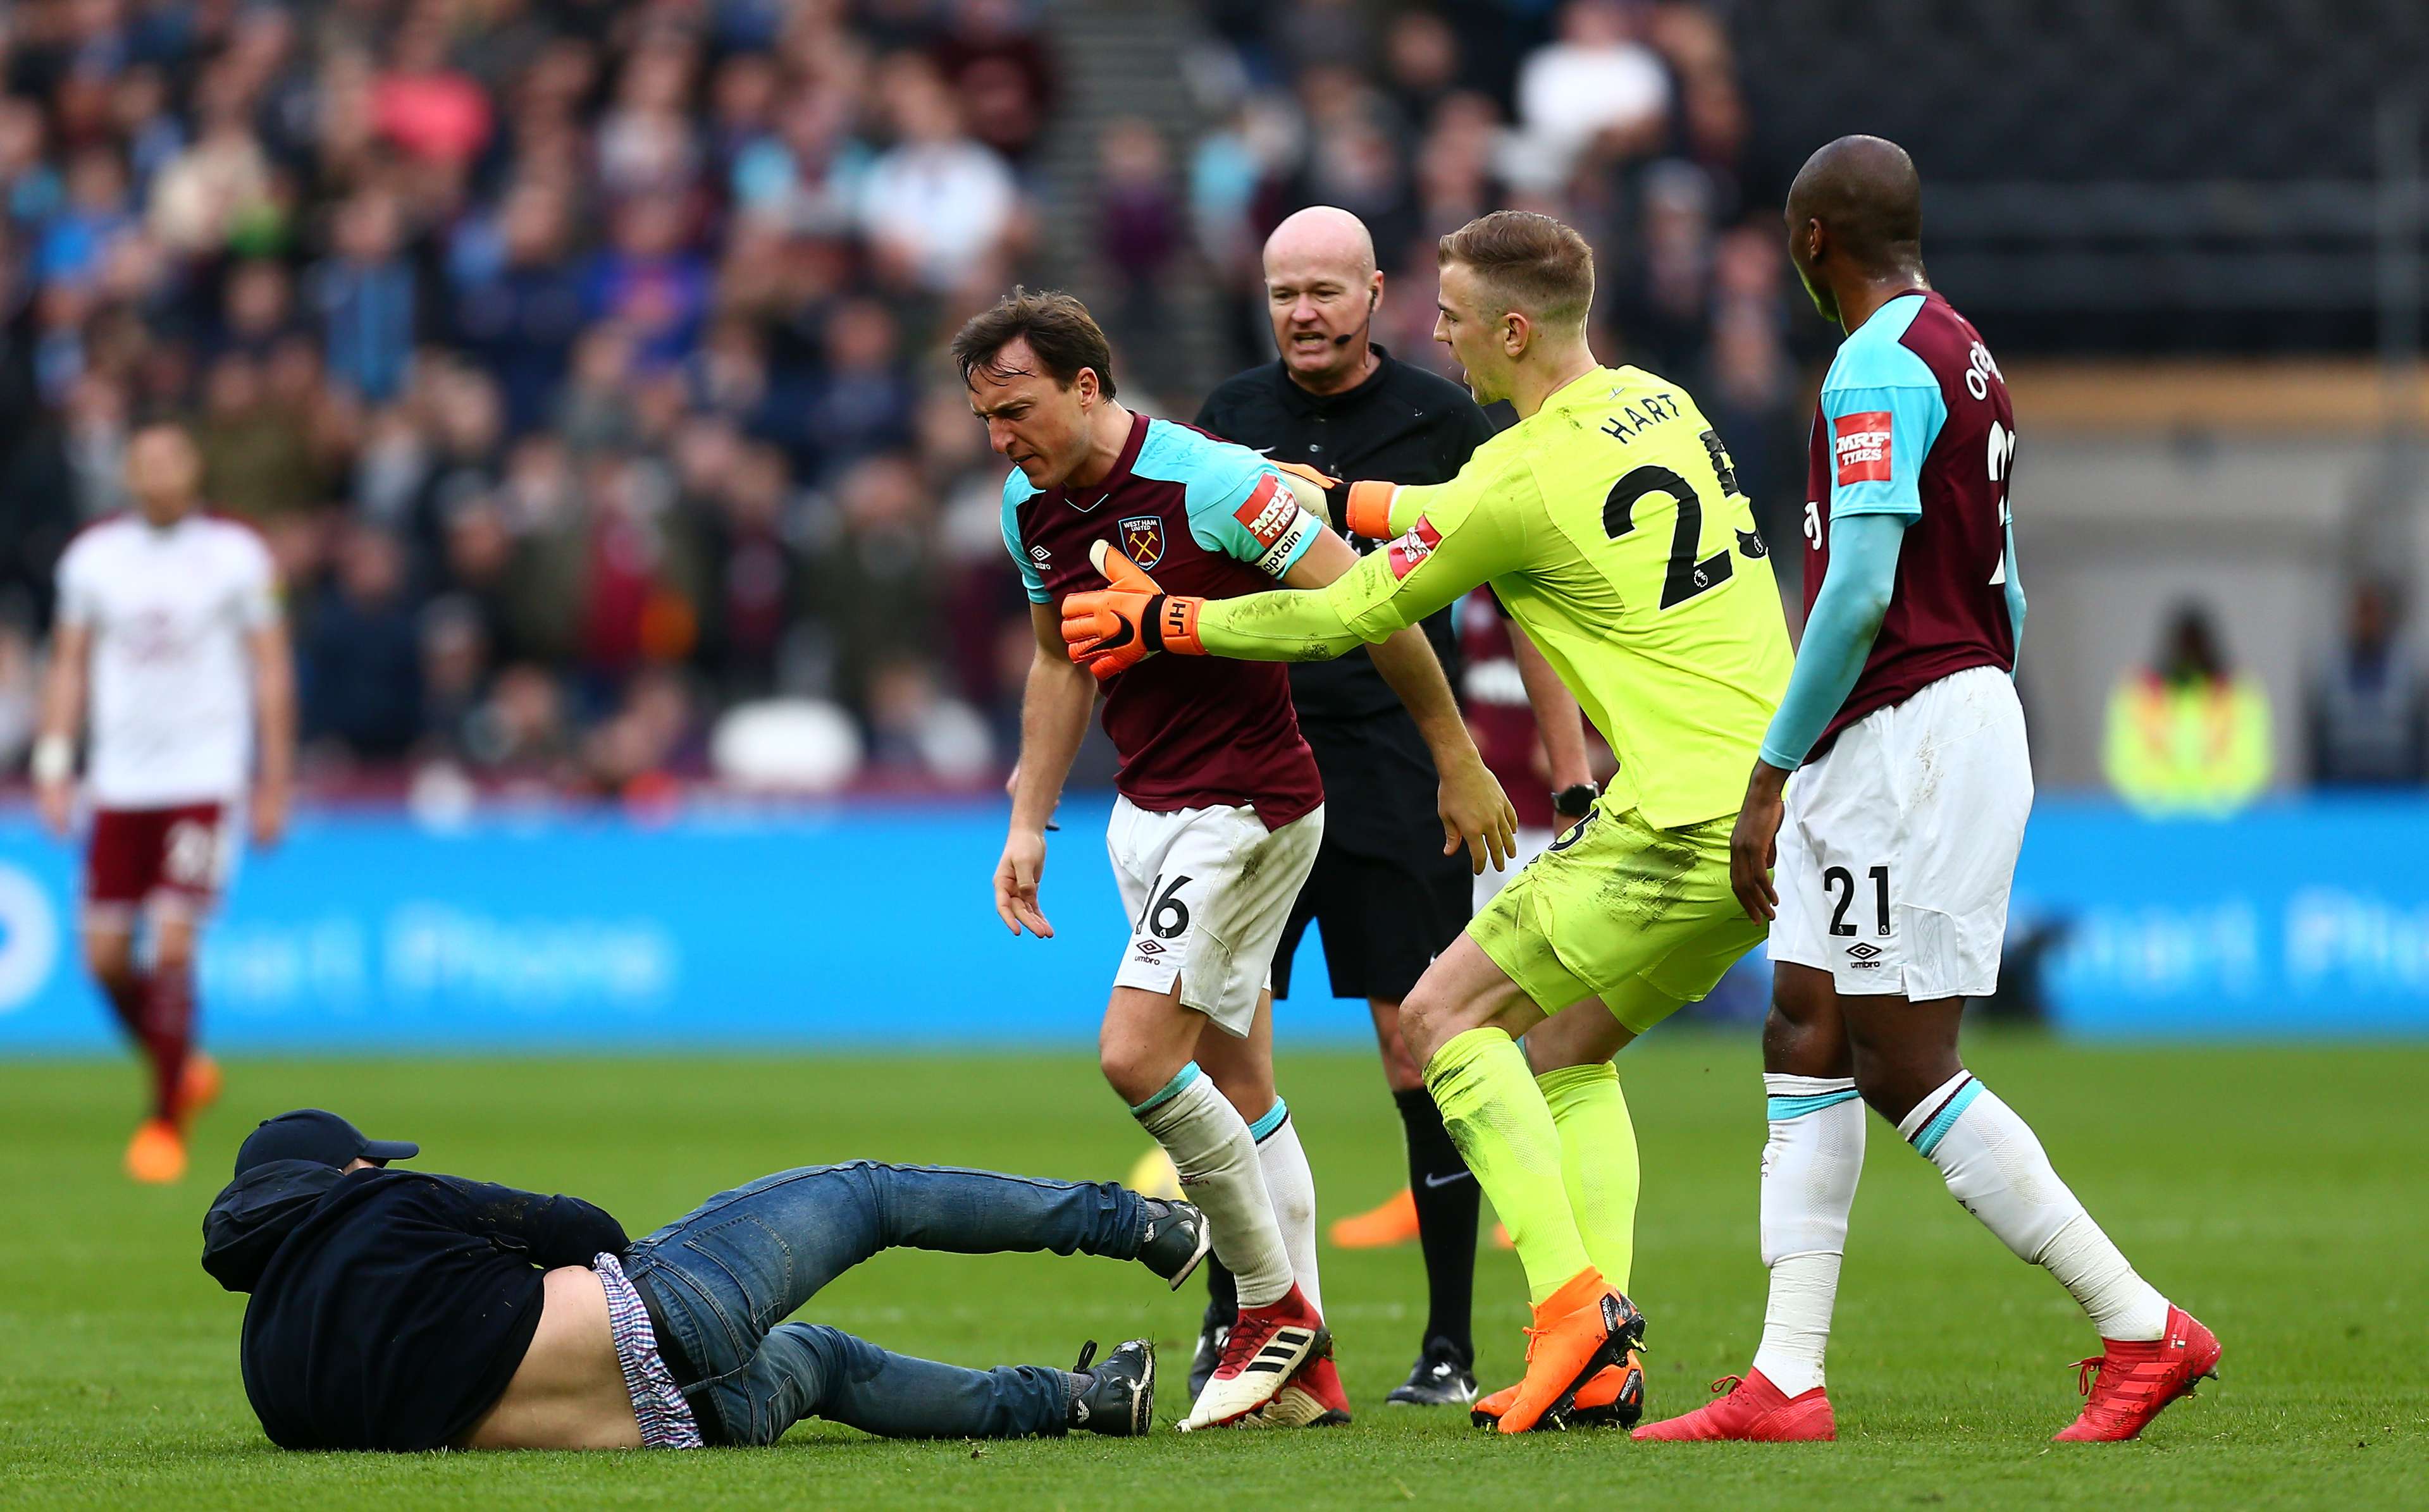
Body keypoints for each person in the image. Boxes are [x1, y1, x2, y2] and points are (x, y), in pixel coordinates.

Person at [1060, 210, 1794, 1434]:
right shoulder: (1659, 403)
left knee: (1446, 1019)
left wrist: (1170, 626)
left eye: (1453, 318)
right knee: (1561, 1052)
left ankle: (1568, 1318)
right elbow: (1471, 507)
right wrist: (1341, 492)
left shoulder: (1516, 469)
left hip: (1669, 820)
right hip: (1764, 813)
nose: (1439, 337)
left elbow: (1338, 617)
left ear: (1512, 328)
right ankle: (1601, 1342)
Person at [1640, 135, 2218, 1446]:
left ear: (1809, 243)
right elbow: (2005, 586)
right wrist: (1961, 695)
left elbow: (1853, 587)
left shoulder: (1873, 364)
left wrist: (1778, 764)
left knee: (1905, 1061)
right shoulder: (1967, 350)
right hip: (1922, 717)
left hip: (1903, 729)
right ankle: (1786, 1378)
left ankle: (2141, 1326)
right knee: (1803, 1017)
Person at [958, 288, 1516, 1430]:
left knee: (1134, 1056)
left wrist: (1456, 756)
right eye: (985, 421)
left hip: (1250, 808)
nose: (1003, 440)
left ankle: (1270, 1308)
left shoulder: (1214, 482)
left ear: (1085, 386)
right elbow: (1061, 663)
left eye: (1017, 411)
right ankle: (1309, 1373)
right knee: (1241, 1086)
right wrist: (1030, 816)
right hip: (1147, 813)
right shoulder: (1032, 505)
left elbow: (1377, 604)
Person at [1190, 204, 1593, 1408]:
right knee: (1228, 1052)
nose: (1303, 313)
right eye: (1282, 295)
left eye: (1325, 290)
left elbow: (1523, 609)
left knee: (1420, 1040)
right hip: (1252, 760)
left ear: (1375, 293)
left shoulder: (1443, 417)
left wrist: (1562, 779)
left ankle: (1449, 1346)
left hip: (1394, 768)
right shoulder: (1227, 420)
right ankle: (1244, 1323)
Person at [201, 1108, 1204, 1450]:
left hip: (657, 1431)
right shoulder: (384, 1203)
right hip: (654, 1321)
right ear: (342, 1171)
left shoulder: (264, 1369)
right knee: (872, 1193)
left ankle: (1088, 1402)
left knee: (825, 1360)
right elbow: (585, 1227)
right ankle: (1142, 1223)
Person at [32, 421, 295, 1185]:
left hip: (203, 780)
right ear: (128, 473)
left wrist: (272, 777)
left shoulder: (237, 556)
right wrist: (54, 759)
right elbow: (70, 663)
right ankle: (180, 1061)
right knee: (106, 959)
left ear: (195, 467)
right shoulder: (93, 559)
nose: (159, 473)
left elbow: (271, 668)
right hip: (119, 782)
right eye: (145, 461)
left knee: (174, 946)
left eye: (172, 458)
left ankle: (162, 1120)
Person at [2104, 601, 2273, 814]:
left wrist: (2216, 805)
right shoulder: (2139, 693)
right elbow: (2124, 763)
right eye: (2184, 645)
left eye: (2196, 644)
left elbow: (2252, 764)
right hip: (2153, 822)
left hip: (2224, 822)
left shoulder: (2240, 693)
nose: (2190, 654)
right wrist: (2160, 805)